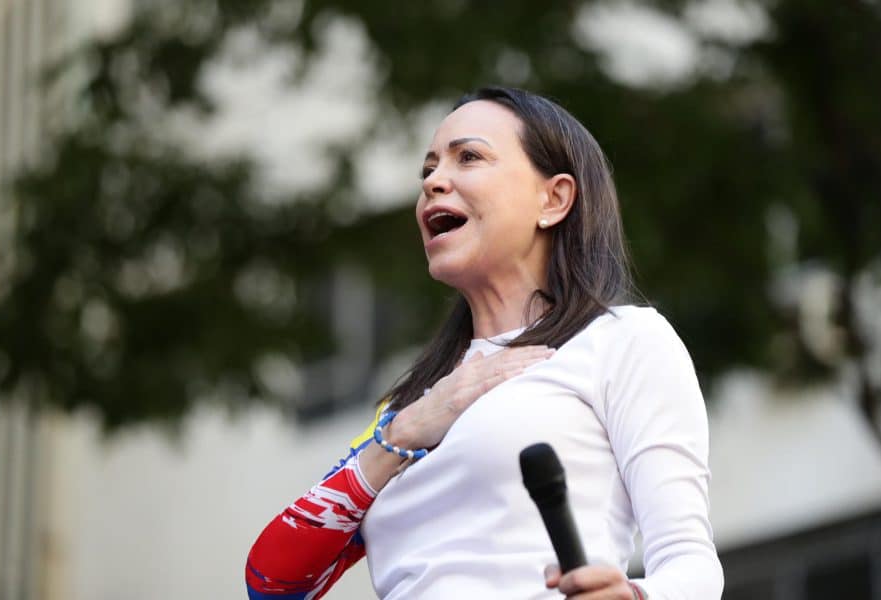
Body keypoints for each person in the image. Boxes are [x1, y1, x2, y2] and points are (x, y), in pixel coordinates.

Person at [245, 86, 723, 599]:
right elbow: (273, 584)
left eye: (468, 157)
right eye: (427, 169)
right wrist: (407, 430)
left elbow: (691, 565)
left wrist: (634, 597)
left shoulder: (620, 340)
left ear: (554, 199)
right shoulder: (409, 409)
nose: (433, 182)